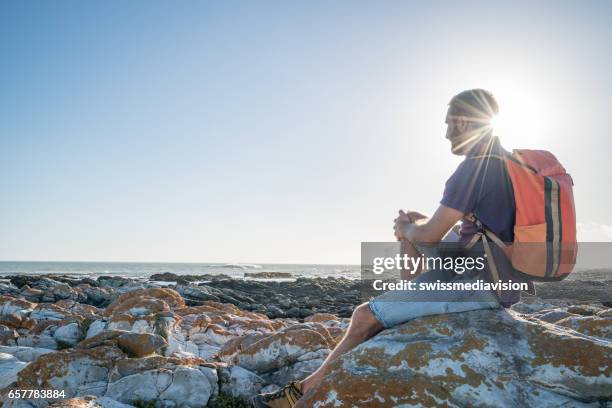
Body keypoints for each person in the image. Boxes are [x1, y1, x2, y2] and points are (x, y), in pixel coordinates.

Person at [252, 89, 521, 408]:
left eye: (449, 123)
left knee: (364, 316)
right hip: (499, 272)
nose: (446, 131)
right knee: (412, 228)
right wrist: (413, 227)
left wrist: (406, 229)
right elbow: (459, 227)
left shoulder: (473, 168)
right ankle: (408, 299)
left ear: (464, 121)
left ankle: (300, 394)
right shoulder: (507, 161)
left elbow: (432, 235)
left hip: (481, 283)